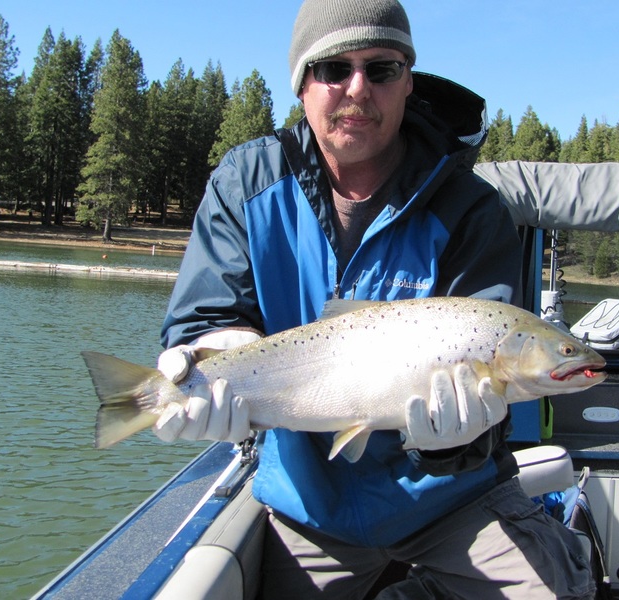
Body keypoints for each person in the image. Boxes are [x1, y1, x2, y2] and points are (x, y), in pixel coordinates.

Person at [154, 0, 594, 598]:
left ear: (407, 82)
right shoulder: (246, 183)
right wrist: (212, 354)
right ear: (303, 85)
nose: (357, 88)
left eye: (381, 69)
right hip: (308, 506)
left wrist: (454, 442)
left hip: (455, 503)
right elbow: (207, 316)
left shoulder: (470, 209)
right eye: (334, 69)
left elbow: (485, 438)